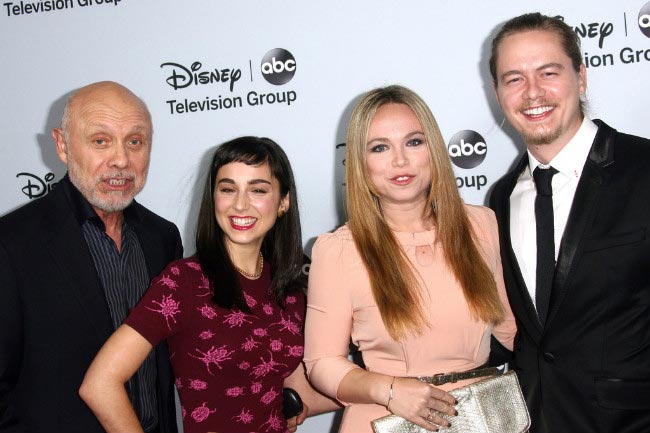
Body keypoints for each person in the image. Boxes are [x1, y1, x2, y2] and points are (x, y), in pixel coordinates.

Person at [80, 136, 339, 433]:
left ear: (283, 202)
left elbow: (293, 386)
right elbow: (99, 384)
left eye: (257, 190)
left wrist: (384, 384)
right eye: (228, 189)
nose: (240, 204)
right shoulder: (184, 282)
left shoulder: (290, 290)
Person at [303, 85, 516, 433]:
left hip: (480, 419)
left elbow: (510, 329)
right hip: (382, 419)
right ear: (360, 163)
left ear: (433, 149)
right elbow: (322, 363)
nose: (400, 160)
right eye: (380, 147)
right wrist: (389, 390)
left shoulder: (481, 225)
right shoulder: (338, 250)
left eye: (414, 142)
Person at [488, 12, 650, 433]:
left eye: (548, 72)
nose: (533, 92)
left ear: (581, 77)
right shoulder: (502, 198)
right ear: (498, 93)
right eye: (514, 78)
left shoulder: (644, 169)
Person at [0, 81, 182, 433]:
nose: (120, 159)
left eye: (135, 142)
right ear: (63, 146)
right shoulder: (12, 244)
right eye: (101, 141)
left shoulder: (163, 238)